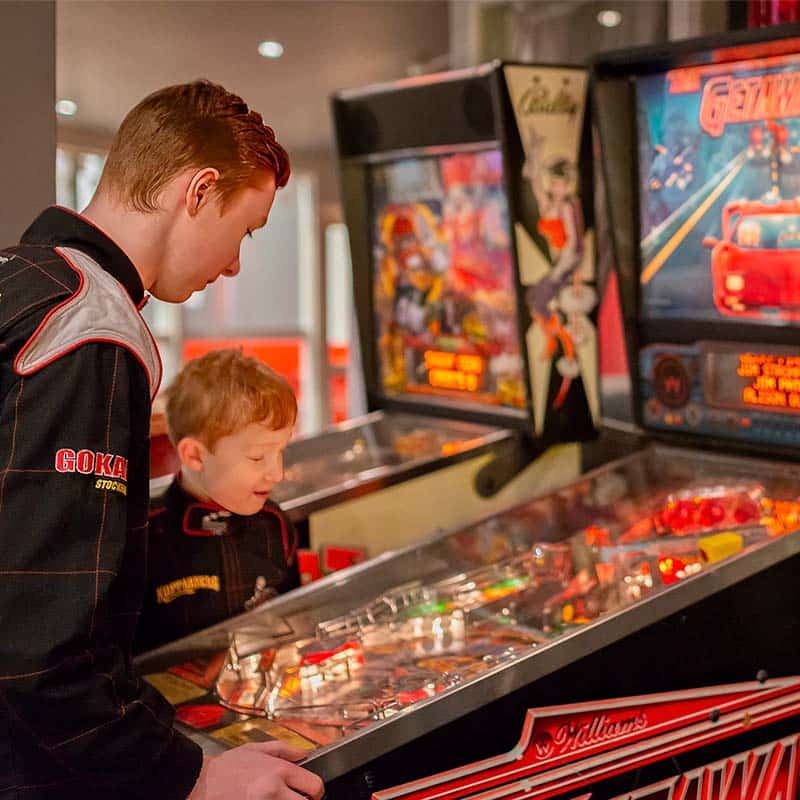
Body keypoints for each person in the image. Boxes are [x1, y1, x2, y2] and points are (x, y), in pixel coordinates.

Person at [0, 80, 324, 800]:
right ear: (200, 191)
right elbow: (37, 645)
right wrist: (193, 775)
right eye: (246, 230)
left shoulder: (22, 278)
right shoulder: (86, 330)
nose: (237, 263)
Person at [135, 349, 299, 654]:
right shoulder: (142, 537)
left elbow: (292, 624)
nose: (276, 473)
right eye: (257, 456)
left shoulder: (275, 525)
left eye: (281, 451)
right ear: (195, 455)